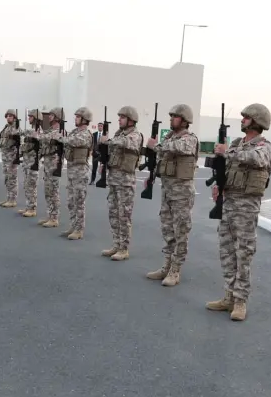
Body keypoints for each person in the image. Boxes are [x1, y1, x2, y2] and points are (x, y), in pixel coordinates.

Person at [205, 103, 271, 321]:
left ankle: (240, 300)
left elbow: (257, 159)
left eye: (246, 117)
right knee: (226, 251)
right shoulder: (236, 143)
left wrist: (227, 152)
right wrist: (219, 183)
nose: (242, 120)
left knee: (243, 253)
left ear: (257, 121)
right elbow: (226, 168)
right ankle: (229, 295)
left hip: (246, 206)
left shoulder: (263, 146)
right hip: (228, 203)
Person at [145, 104, 199, 286]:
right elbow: (162, 159)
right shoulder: (169, 138)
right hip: (167, 192)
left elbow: (177, 148)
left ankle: (175, 270)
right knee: (168, 231)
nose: (171, 119)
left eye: (175, 116)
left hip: (182, 194)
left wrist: (156, 145)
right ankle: (166, 266)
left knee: (180, 231)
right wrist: (152, 176)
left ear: (184, 121)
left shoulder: (189, 139)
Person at [100, 106, 143, 261]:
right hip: (114, 179)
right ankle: (116, 244)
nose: (119, 120)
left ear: (131, 120)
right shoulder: (119, 134)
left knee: (124, 216)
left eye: (122, 117)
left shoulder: (135, 135)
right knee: (113, 214)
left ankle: (124, 249)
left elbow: (125, 143)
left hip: (125, 182)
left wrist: (108, 141)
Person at [60, 107, 94, 240]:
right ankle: (73, 226)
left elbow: (73, 141)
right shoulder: (75, 132)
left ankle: (79, 229)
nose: (75, 119)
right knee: (71, 201)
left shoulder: (86, 134)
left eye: (78, 117)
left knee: (79, 201)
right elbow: (67, 140)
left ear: (85, 120)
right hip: (71, 170)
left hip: (80, 172)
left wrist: (62, 138)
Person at [37, 108, 64, 228]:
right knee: (48, 190)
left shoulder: (59, 131)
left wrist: (40, 135)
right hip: (47, 163)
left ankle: (54, 218)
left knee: (53, 191)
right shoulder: (50, 131)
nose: (49, 117)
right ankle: (49, 215)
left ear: (57, 117)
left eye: (52, 115)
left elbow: (44, 138)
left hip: (54, 164)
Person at [0, 110, 21, 207]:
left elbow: (18, 139)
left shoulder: (16, 127)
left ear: (14, 117)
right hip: (5, 156)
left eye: (10, 116)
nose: (8, 117)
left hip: (12, 156)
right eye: (7, 116)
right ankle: (8, 198)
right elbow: (0, 138)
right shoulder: (6, 127)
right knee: (7, 178)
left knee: (12, 178)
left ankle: (12, 200)